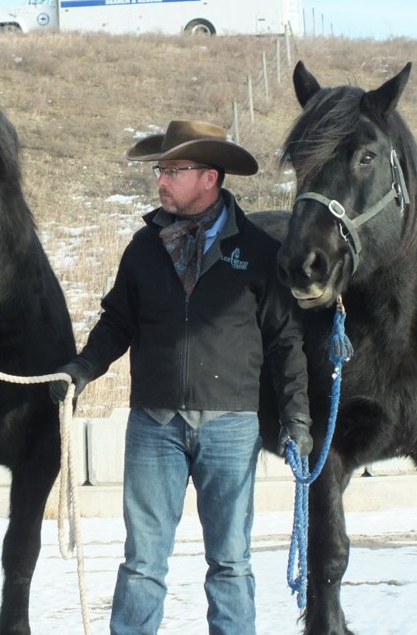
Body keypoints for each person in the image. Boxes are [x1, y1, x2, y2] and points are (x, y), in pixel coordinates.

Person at [49, 119, 312, 635]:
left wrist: (296, 416)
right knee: (143, 563)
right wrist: (82, 368)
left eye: (174, 170)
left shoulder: (259, 253)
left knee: (231, 562)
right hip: (154, 425)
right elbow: (117, 321)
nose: (161, 180)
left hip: (232, 427)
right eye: (160, 169)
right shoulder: (144, 249)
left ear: (209, 177)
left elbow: (286, 342)